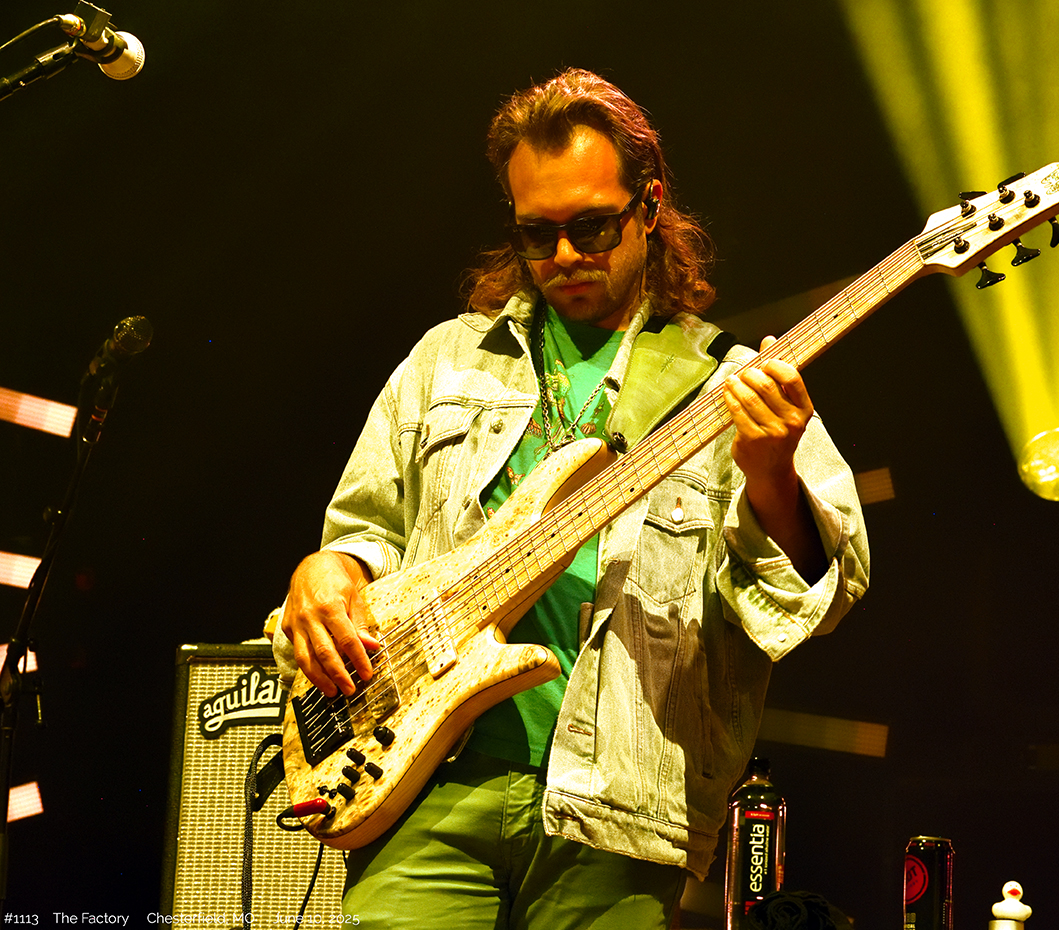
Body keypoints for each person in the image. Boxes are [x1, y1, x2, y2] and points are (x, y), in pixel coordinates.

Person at [273, 68, 869, 930]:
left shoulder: (725, 383)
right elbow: (364, 532)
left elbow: (819, 598)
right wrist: (326, 569)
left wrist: (771, 471)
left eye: (590, 227)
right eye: (536, 233)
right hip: (424, 785)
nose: (562, 257)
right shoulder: (447, 361)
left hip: (618, 809)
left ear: (649, 207)